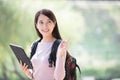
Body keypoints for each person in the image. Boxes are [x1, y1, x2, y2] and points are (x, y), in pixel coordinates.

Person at [20, 9, 68, 80]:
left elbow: (59, 78)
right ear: (36, 25)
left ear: (54, 24)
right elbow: (36, 75)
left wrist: (61, 55)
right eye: (41, 22)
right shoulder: (35, 45)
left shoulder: (59, 45)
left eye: (49, 22)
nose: (45, 26)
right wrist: (28, 73)